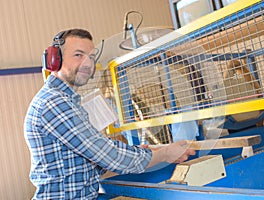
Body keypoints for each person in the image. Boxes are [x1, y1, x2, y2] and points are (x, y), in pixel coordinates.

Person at [24, 28, 196, 199]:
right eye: (78, 55)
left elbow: (93, 154)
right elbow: (109, 156)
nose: (87, 63)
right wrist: (164, 154)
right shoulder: (54, 103)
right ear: (55, 60)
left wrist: (142, 152)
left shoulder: (68, 101)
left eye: (91, 57)